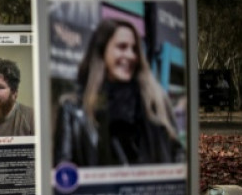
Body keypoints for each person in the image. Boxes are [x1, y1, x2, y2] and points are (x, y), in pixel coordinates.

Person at [54, 18, 183, 166]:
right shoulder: (73, 110)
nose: (131, 55)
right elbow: (64, 169)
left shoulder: (155, 101)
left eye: (134, 49)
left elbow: (178, 154)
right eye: (122, 47)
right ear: (102, 51)